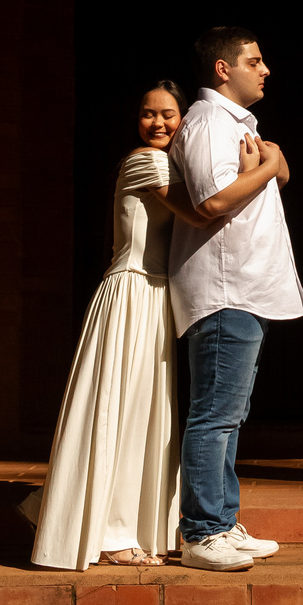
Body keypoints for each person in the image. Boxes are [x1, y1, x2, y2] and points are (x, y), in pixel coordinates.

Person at [25, 80, 241, 569]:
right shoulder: (147, 161)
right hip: (133, 291)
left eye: (168, 114)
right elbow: (202, 213)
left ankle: (89, 515)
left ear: (183, 118)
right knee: (119, 411)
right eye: (148, 114)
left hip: (155, 295)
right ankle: (108, 531)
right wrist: (266, 168)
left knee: (141, 412)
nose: (158, 123)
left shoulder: (170, 163)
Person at [167, 26, 303, 572]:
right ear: (223, 69)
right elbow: (210, 201)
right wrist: (269, 166)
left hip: (247, 287)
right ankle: (202, 533)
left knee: (229, 413)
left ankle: (222, 523)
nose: (266, 68)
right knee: (214, 416)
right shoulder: (207, 124)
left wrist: (270, 165)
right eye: (254, 60)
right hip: (225, 289)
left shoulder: (236, 124)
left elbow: (278, 174)